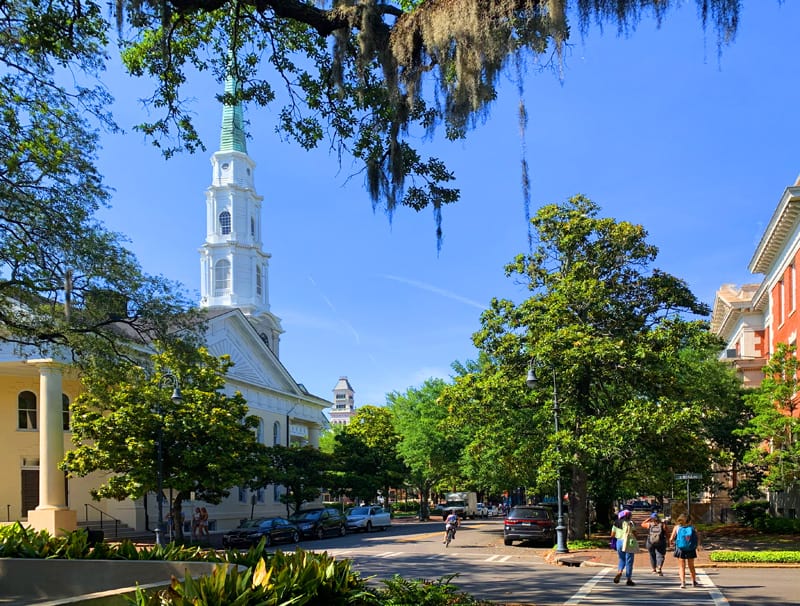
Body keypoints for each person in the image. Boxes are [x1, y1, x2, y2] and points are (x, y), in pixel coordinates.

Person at [669, 513, 700, 589]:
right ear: (689, 520)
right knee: (691, 566)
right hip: (691, 548)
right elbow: (697, 537)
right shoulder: (693, 527)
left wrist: (671, 543)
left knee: (681, 566)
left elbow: (671, 538)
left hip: (680, 548)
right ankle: (693, 581)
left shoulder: (677, 527)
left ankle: (683, 582)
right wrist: (697, 546)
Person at [610, 509, 637, 586]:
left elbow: (612, 534)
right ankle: (629, 579)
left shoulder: (616, 523)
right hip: (629, 543)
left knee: (621, 559)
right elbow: (635, 533)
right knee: (629, 561)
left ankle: (619, 572)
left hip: (619, 542)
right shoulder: (631, 523)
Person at [641, 511, 668, 575]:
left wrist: (648, 519)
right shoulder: (662, 524)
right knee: (661, 555)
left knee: (652, 555)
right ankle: (659, 568)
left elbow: (642, 524)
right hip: (661, 541)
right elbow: (667, 533)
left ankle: (654, 569)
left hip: (650, 542)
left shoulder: (649, 524)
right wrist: (668, 540)